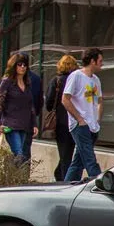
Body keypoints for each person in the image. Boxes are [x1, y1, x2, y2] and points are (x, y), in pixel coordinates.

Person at [61, 47, 105, 182]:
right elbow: (65, 99)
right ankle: (101, 183)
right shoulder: (76, 76)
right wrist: (79, 119)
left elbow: (100, 101)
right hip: (80, 125)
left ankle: (67, 186)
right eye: (100, 61)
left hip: (92, 126)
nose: (102, 63)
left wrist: (97, 120)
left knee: (78, 162)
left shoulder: (96, 80)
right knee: (90, 159)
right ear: (92, 61)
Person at [0, 53, 40, 164]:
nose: (22, 67)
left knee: (22, 156)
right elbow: (0, 103)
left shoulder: (27, 83)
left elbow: (31, 105)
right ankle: (14, 177)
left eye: (24, 65)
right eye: (19, 65)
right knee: (19, 153)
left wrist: (34, 124)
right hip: (10, 124)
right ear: (14, 66)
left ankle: (12, 176)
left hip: (24, 124)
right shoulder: (7, 82)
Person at [46, 53, 79, 181]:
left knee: (65, 153)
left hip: (61, 122)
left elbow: (49, 102)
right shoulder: (76, 81)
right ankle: (61, 176)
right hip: (75, 120)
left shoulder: (56, 81)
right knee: (70, 152)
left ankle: (63, 178)